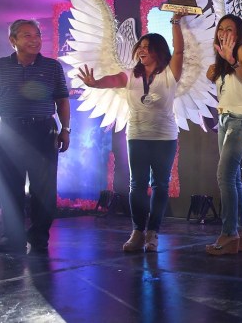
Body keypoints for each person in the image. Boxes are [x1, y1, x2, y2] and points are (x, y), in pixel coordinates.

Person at [78, 14, 186, 253]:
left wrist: (175, 24)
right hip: (136, 136)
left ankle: (153, 232)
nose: (142, 50)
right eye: (140, 47)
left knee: (160, 185)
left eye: (148, 47)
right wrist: (96, 83)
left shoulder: (169, 74)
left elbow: (179, 52)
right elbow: (113, 79)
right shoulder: (131, 74)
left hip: (165, 138)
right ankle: (137, 231)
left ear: (159, 51)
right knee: (136, 185)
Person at [0, 19, 71, 254]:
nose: (34, 40)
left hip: (43, 131)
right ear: (13, 41)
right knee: (10, 188)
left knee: (44, 190)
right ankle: (13, 238)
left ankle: (39, 238)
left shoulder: (52, 67)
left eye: (37, 35)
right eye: (27, 36)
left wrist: (65, 129)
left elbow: (62, 100)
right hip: (8, 131)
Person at [204, 14, 242, 255]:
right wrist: (218, 69)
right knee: (233, 178)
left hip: (241, 118)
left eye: (230, 28)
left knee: (224, 175)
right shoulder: (222, 60)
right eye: (221, 28)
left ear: (238, 33)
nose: (224, 32)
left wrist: (233, 61)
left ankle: (229, 233)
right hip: (225, 118)